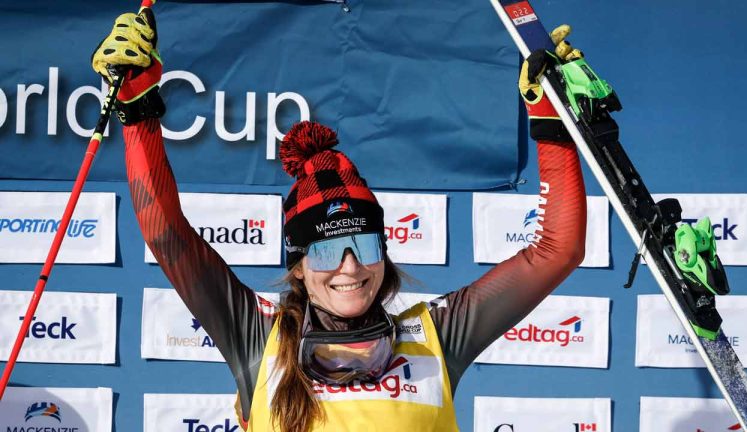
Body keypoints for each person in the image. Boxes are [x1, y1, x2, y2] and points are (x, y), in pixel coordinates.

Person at [91, 8, 586, 432]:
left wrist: (551, 123)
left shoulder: (435, 336)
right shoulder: (259, 340)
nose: (349, 268)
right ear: (300, 266)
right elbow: (165, 233)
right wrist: (137, 112)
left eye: (364, 246)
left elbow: (556, 250)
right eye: (327, 250)